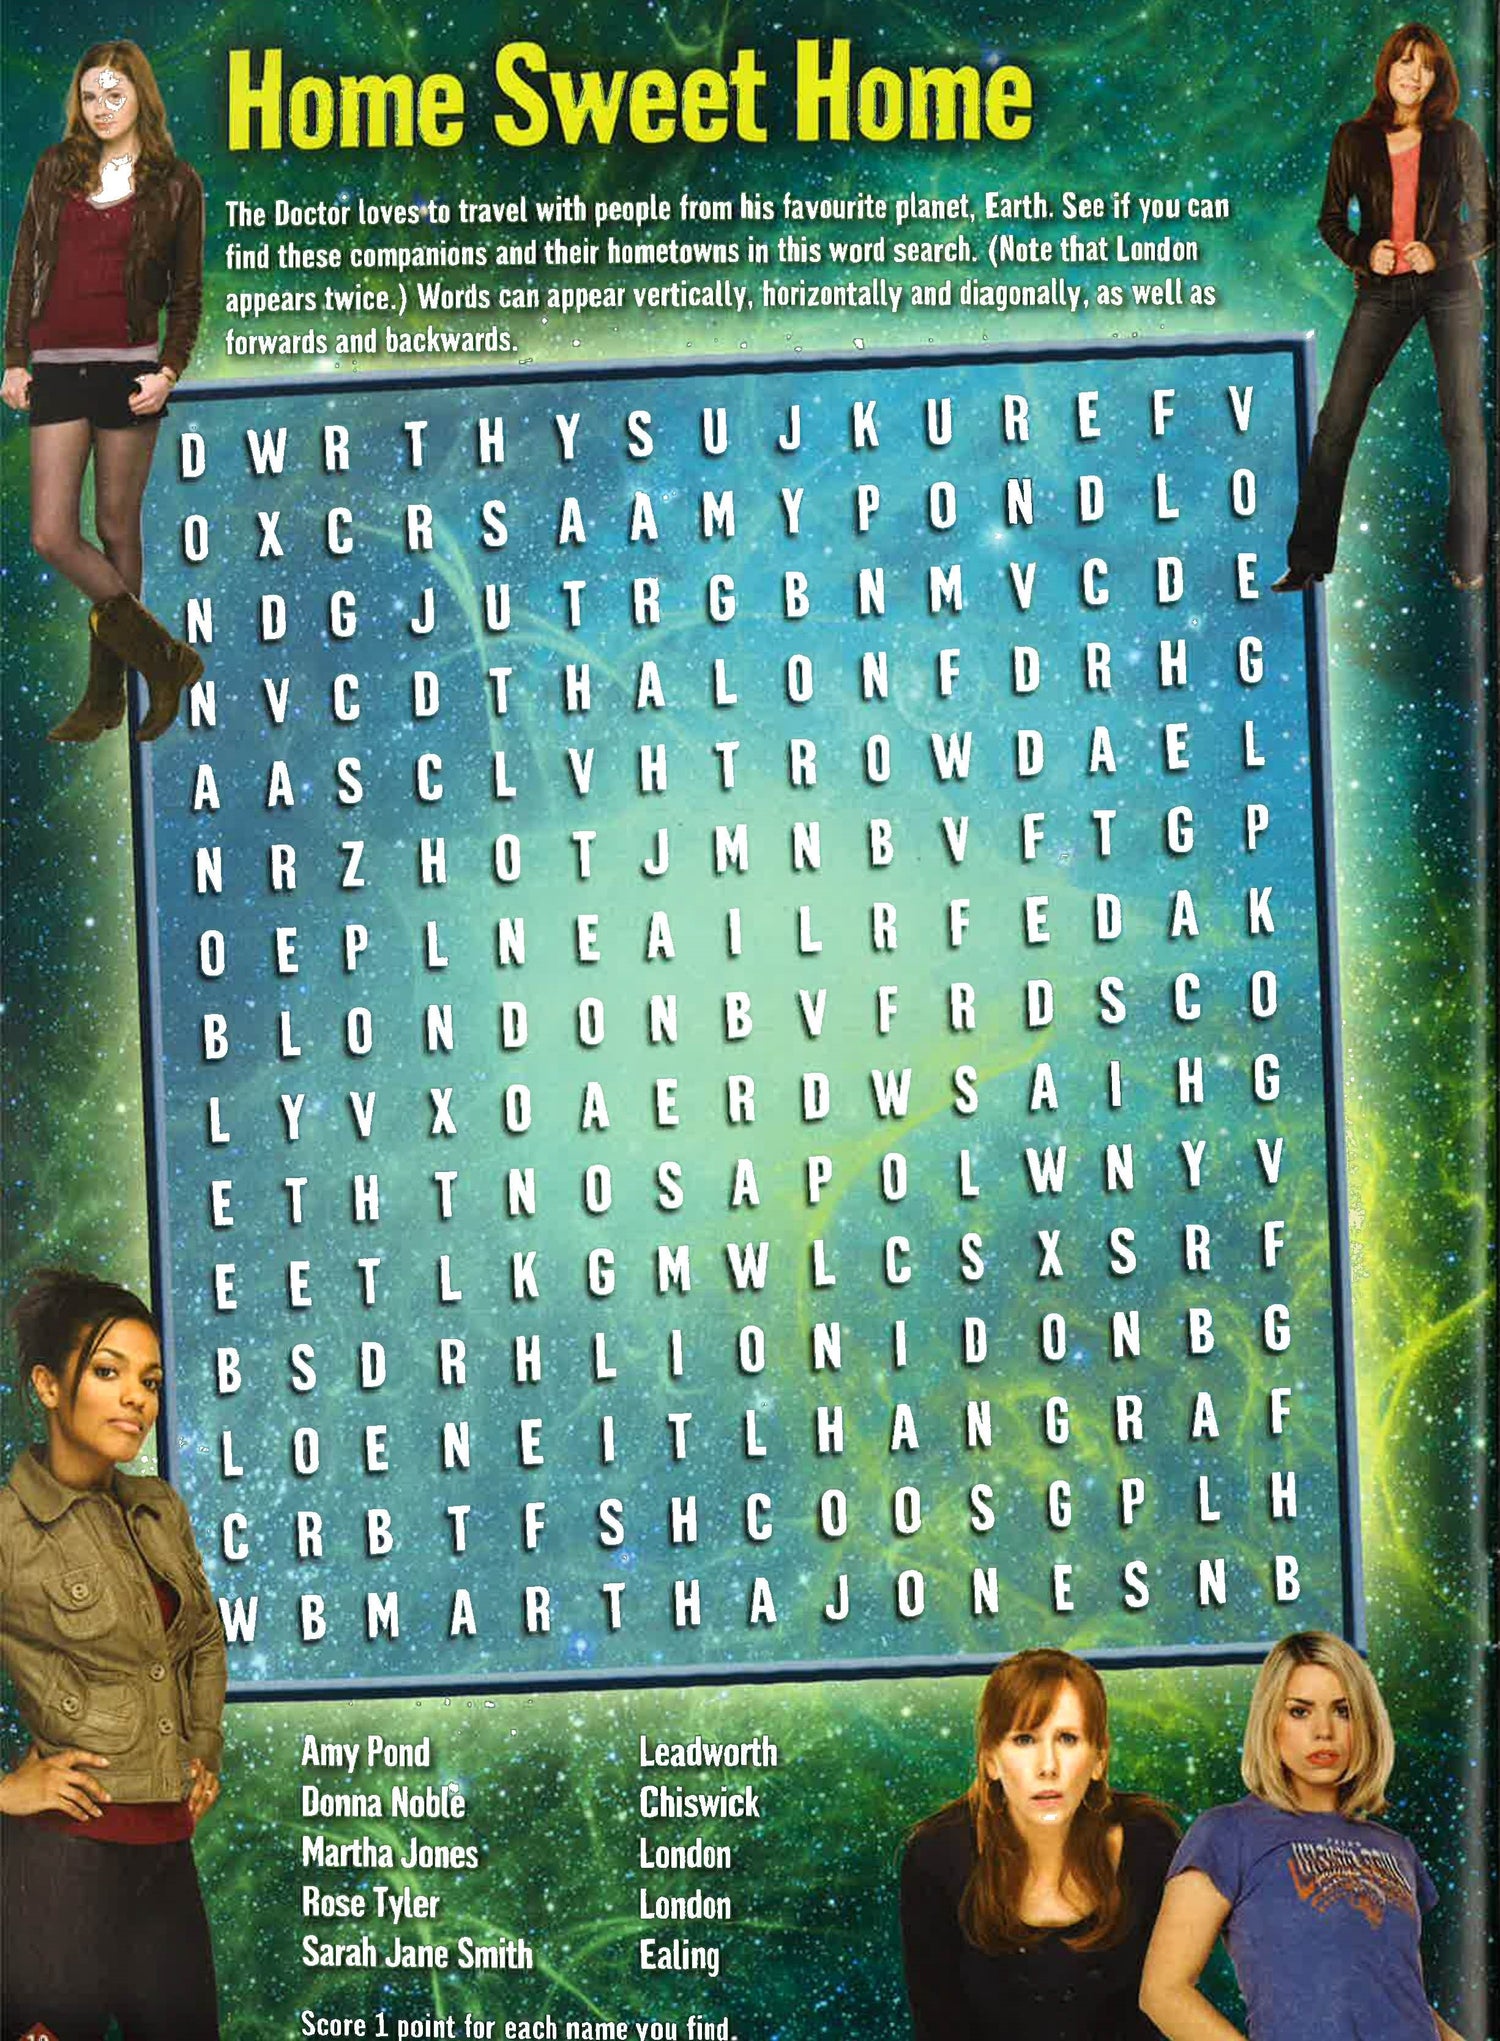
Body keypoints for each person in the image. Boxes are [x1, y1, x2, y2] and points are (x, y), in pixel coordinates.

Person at [0, 1268, 225, 2039]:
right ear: (47, 1385)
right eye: (107, 1371)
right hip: (62, 1872)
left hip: (166, 1857)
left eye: (150, 1381)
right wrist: (6, 1789)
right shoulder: (9, 1526)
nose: (137, 1397)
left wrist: (203, 1746)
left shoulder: (159, 1507)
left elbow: (202, 1638)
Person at [3, 41, 205, 744]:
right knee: (52, 534)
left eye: (114, 94)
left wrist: (168, 371)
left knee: (118, 528)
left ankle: (104, 696)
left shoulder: (177, 182)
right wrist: (15, 358)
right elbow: (25, 264)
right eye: (90, 96)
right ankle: (166, 658)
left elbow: (187, 292)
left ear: (140, 97)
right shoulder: (54, 168)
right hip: (57, 369)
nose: (101, 108)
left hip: (130, 372)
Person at [1140, 1630, 1465, 2041]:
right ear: (1270, 1721)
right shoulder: (1227, 1832)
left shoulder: (1395, 1848)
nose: (1323, 1731)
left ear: (1365, 1721)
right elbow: (1163, 1992)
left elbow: (1401, 1996)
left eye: (1343, 1711)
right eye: (1300, 1711)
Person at [1273, 23, 1492, 594]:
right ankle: (1307, 561)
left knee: (1463, 425)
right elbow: (1330, 220)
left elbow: (1487, 220)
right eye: (1404, 61)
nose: (1413, 75)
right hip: (1381, 290)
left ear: (1437, 78)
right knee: (1337, 422)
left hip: (1451, 289)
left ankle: (1470, 560)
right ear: (1387, 68)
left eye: (1426, 66)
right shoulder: (1353, 138)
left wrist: (1439, 250)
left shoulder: (1459, 137)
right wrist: (1362, 251)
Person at [900, 1648, 1178, 2040]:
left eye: (1067, 1738)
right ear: (991, 1760)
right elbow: (938, 2024)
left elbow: (1165, 2009)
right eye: (1025, 1739)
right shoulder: (936, 1856)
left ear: (1099, 1758)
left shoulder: (1149, 1843)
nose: (1048, 1766)